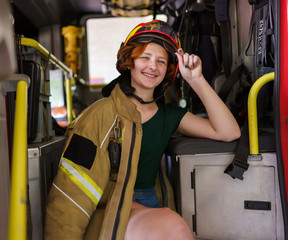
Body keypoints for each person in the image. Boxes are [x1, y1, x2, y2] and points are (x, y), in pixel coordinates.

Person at [44, 20, 240, 240]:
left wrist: (196, 79)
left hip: (149, 201)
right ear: (130, 62)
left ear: (168, 70)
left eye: (161, 61)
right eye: (144, 58)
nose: (152, 67)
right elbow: (70, 190)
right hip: (111, 205)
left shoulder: (169, 116)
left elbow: (228, 132)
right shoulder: (99, 115)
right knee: (174, 228)